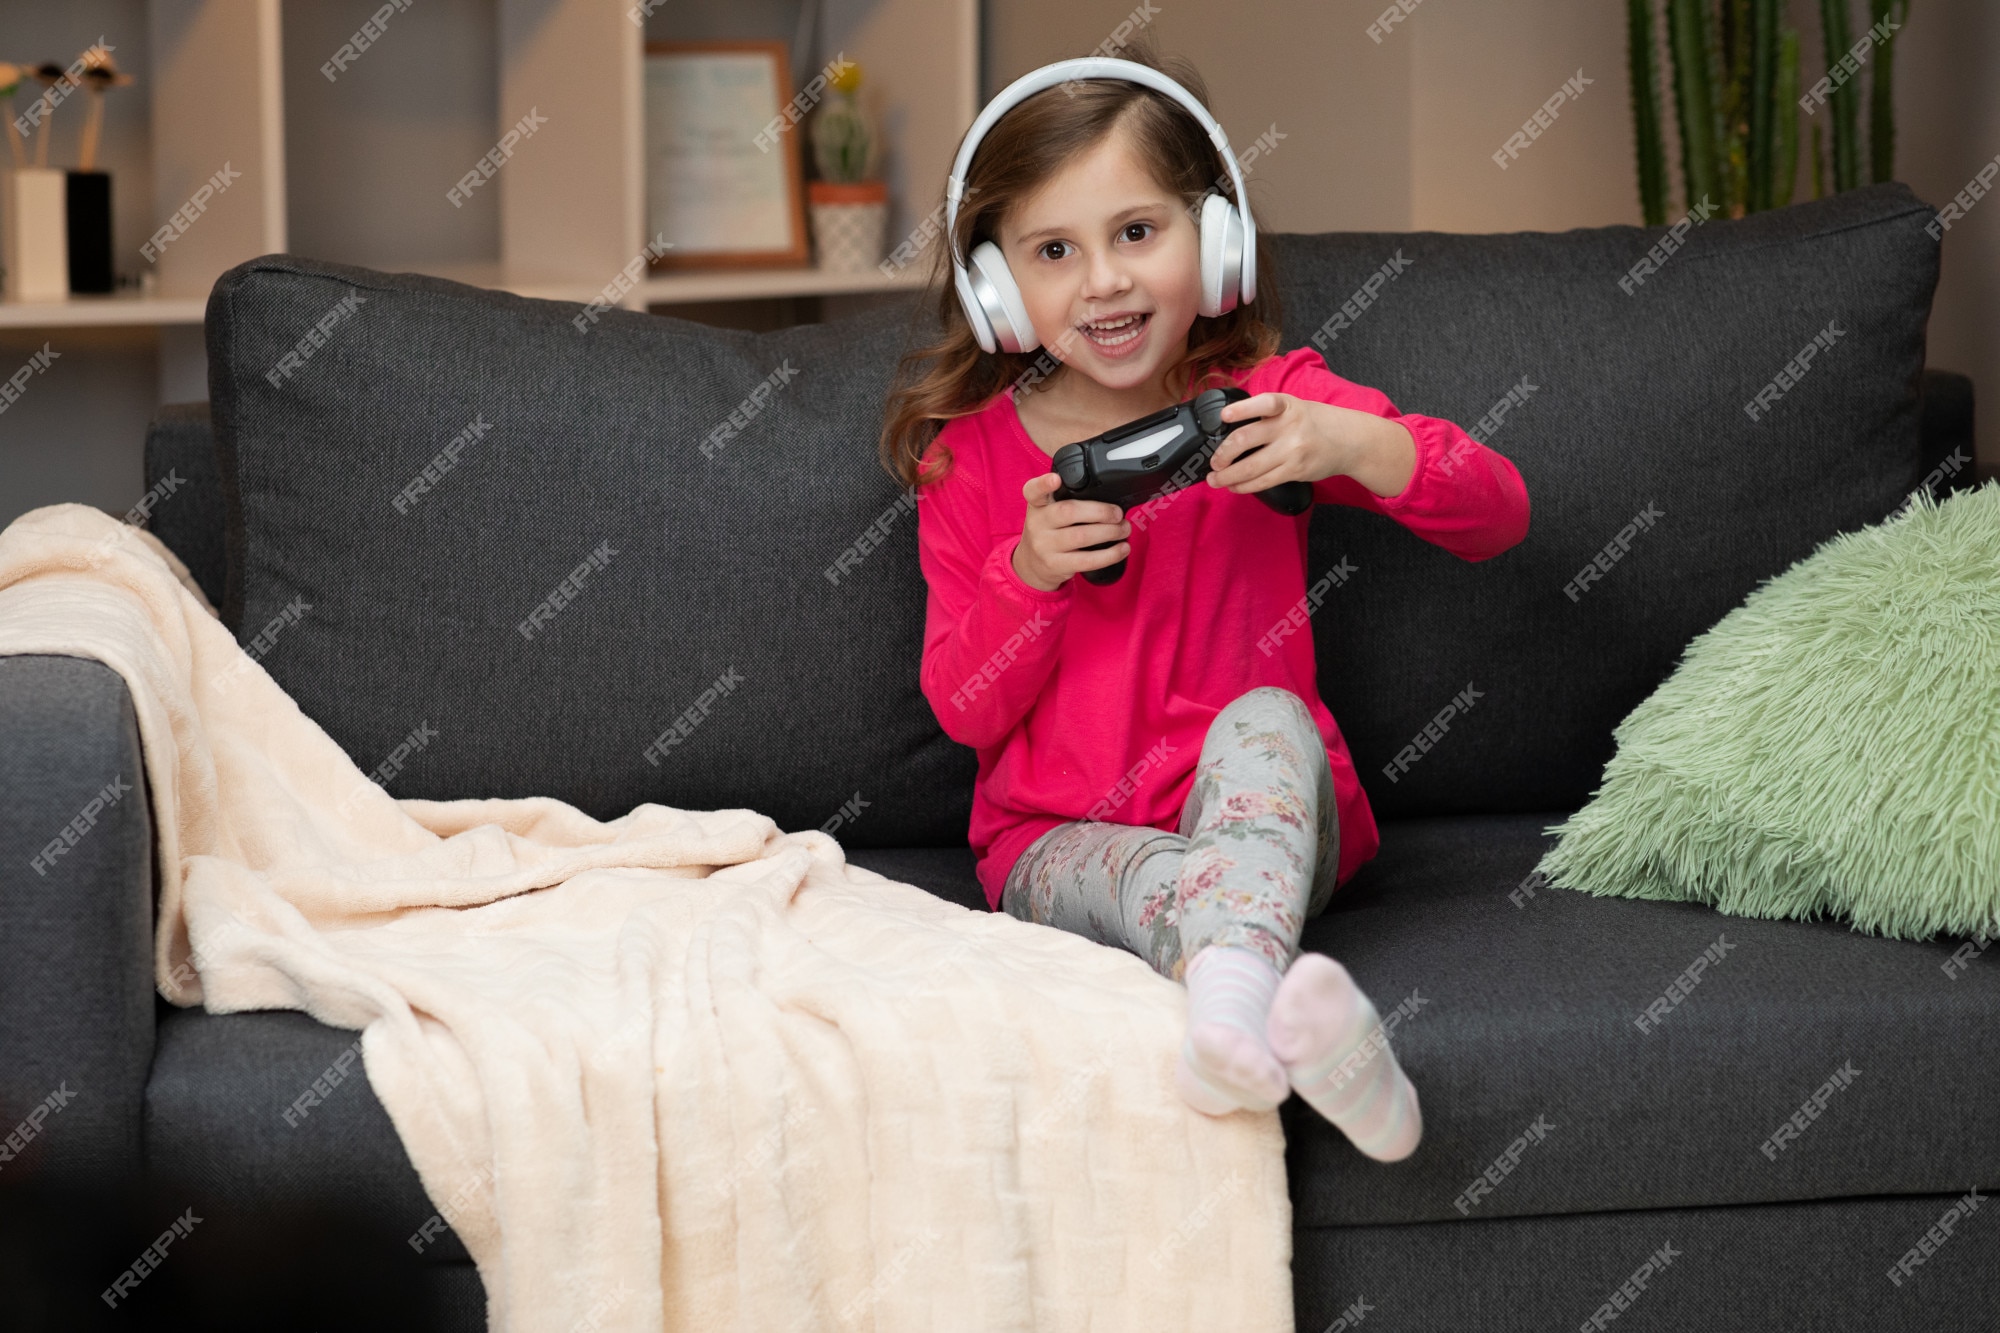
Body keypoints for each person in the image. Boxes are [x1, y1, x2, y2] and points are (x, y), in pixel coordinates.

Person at [877, 42, 1529, 1162]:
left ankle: (1231, 1008)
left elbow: (1498, 511)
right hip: (1057, 841)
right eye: (1052, 250)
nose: (1106, 281)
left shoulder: (1271, 403)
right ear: (996, 289)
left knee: (1268, 723)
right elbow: (962, 709)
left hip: (1269, 818)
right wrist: (1026, 576)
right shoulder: (970, 466)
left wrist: (1354, 442)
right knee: (1151, 882)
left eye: (1138, 232)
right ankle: (1274, 1018)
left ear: (1212, 240)